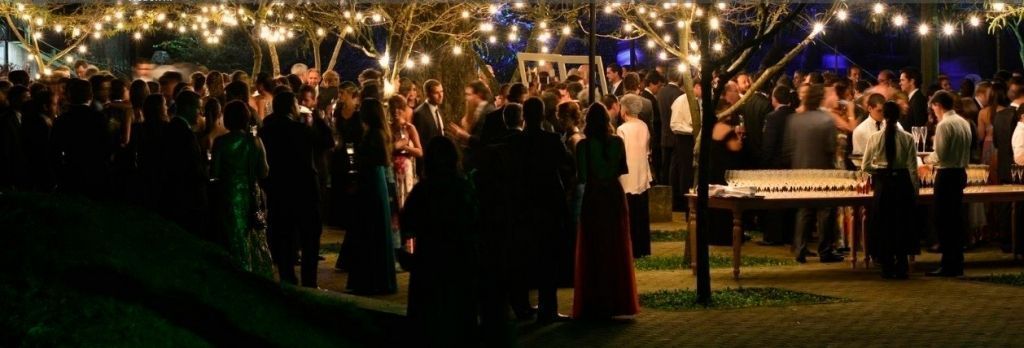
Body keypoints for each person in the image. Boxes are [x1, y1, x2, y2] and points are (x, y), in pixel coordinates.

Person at [401, 136, 481, 347]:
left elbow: (407, 221)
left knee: (429, 320)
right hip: (459, 261)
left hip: (429, 261)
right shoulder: (463, 188)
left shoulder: (423, 190)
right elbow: (475, 220)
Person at [508, 97, 573, 322]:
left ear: (524, 115)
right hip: (548, 203)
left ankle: (522, 306)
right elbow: (568, 163)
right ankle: (548, 309)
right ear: (543, 114)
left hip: (523, 204)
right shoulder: (551, 139)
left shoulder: (515, 142)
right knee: (548, 258)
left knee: (524, 256)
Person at [573, 102, 638, 319]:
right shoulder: (617, 142)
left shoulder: (583, 146)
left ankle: (595, 300)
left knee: (594, 246)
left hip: (594, 196)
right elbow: (622, 168)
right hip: (613, 194)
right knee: (615, 244)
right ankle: (617, 299)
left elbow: (581, 176)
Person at [259, 92, 322, 287]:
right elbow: (326, 142)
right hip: (304, 189)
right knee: (310, 236)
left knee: (284, 236)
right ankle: (309, 282)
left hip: (279, 191)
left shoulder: (265, 132)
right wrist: (316, 117)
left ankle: (287, 279)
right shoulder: (300, 129)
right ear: (291, 107)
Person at [210, 100, 273, 277]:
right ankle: (254, 272)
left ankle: (235, 271)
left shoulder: (221, 142)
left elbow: (214, 172)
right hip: (251, 193)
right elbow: (264, 171)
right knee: (252, 234)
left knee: (232, 235)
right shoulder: (255, 141)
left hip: (228, 193)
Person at [783, 84, 844, 263]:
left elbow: (788, 148)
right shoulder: (826, 120)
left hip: (800, 170)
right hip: (823, 170)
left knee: (804, 210)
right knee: (826, 211)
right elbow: (831, 148)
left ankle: (800, 249)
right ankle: (825, 250)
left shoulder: (793, 120)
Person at [345, 98, 398, 295]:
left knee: (371, 228)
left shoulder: (373, 134)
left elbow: (368, 158)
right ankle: (377, 278)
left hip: (370, 181)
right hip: (375, 180)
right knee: (375, 228)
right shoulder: (379, 133)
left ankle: (371, 280)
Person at [862, 101, 919, 279]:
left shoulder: (874, 138)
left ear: (884, 116)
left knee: (884, 223)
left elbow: (865, 166)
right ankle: (902, 264)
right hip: (902, 183)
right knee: (901, 223)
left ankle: (886, 264)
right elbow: (912, 168)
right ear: (899, 116)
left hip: (884, 183)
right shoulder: (908, 138)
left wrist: (879, 170)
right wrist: (915, 190)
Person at [924, 91, 973, 277]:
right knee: (956, 219)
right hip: (961, 172)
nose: (933, 111)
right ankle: (956, 262)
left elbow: (941, 155)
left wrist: (925, 160)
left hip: (946, 175)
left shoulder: (944, 125)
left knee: (943, 219)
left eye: (933, 107)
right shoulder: (963, 122)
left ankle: (948, 264)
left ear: (938, 105)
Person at [51, 78, 110, 199]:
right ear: (90, 96)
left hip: (70, 171)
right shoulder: (98, 117)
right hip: (95, 171)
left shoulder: (62, 120)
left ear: (69, 96)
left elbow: (54, 150)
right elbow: (107, 144)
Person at [759, 86, 797, 245]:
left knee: (773, 202)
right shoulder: (795, 116)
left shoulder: (772, 117)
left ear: (774, 99)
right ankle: (789, 235)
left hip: (775, 165)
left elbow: (769, 144)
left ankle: (773, 236)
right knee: (790, 202)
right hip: (792, 164)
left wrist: (764, 164)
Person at [617, 94, 653, 258]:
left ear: (624, 109)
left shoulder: (622, 129)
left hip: (627, 175)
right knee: (642, 213)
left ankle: (630, 248)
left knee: (629, 214)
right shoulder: (644, 125)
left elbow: (620, 153)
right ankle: (643, 247)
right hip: (642, 173)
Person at [412, 79, 445, 177]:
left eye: (442, 91)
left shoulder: (439, 110)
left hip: (440, 163)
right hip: (428, 167)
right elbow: (421, 142)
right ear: (427, 94)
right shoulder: (420, 113)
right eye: (436, 92)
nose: (441, 95)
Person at [852, 93, 895, 158]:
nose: (883, 114)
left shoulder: (894, 125)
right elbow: (858, 159)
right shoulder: (860, 131)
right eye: (879, 111)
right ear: (869, 109)